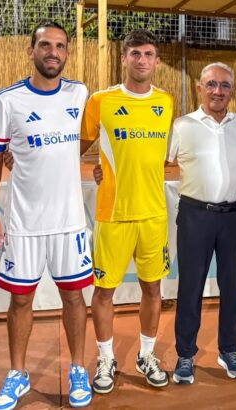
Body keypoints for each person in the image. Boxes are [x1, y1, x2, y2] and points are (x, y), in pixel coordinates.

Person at [0, 21, 93, 409]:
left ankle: (77, 368)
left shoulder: (80, 92)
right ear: (31, 51)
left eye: (60, 46)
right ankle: (18, 373)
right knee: (20, 301)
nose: (53, 52)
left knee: (74, 297)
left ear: (67, 53)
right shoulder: (7, 99)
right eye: (45, 45)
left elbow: (91, 135)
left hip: (69, 223)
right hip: (24, 224)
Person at [80, 29, 173, 392]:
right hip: (113, 214)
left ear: (157, 61)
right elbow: (73, 146)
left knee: (153, 289)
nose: (142, 60)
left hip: (153, 214)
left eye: (148, 54)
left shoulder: (165, 102)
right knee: (104, 292)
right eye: (135, 53)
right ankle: (106, 358)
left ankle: (146, 355)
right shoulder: (101, 101)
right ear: (123, 59)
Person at [167, 62, 236, 384]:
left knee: (232, 286)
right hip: (195, 215)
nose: (218, 91)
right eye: (211, 84)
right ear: (200, 88)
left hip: (235, 216)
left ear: (232, 90)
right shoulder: (181, 126)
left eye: (225, 85)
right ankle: (185, 354)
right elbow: (153, 161)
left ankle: (229, 349)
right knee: (191, 286)